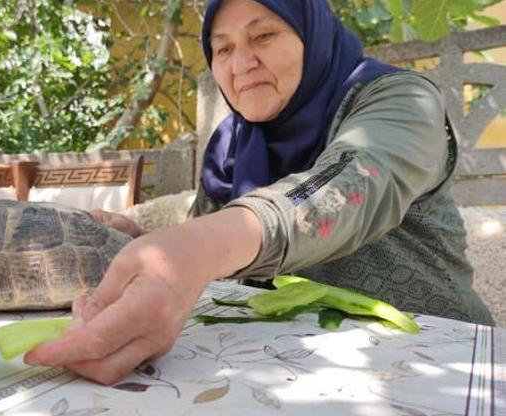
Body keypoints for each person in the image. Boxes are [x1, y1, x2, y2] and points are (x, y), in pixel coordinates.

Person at [24, 0, 495, 384]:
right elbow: (221, 254)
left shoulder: (400, 100)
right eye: (222, 49)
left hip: (441, 362)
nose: (241, 64)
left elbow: (348, 186)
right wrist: (145, 245)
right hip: (297, 371)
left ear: (312, 34)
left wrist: (193, 250)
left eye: (263, 36)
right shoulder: (232, 144)